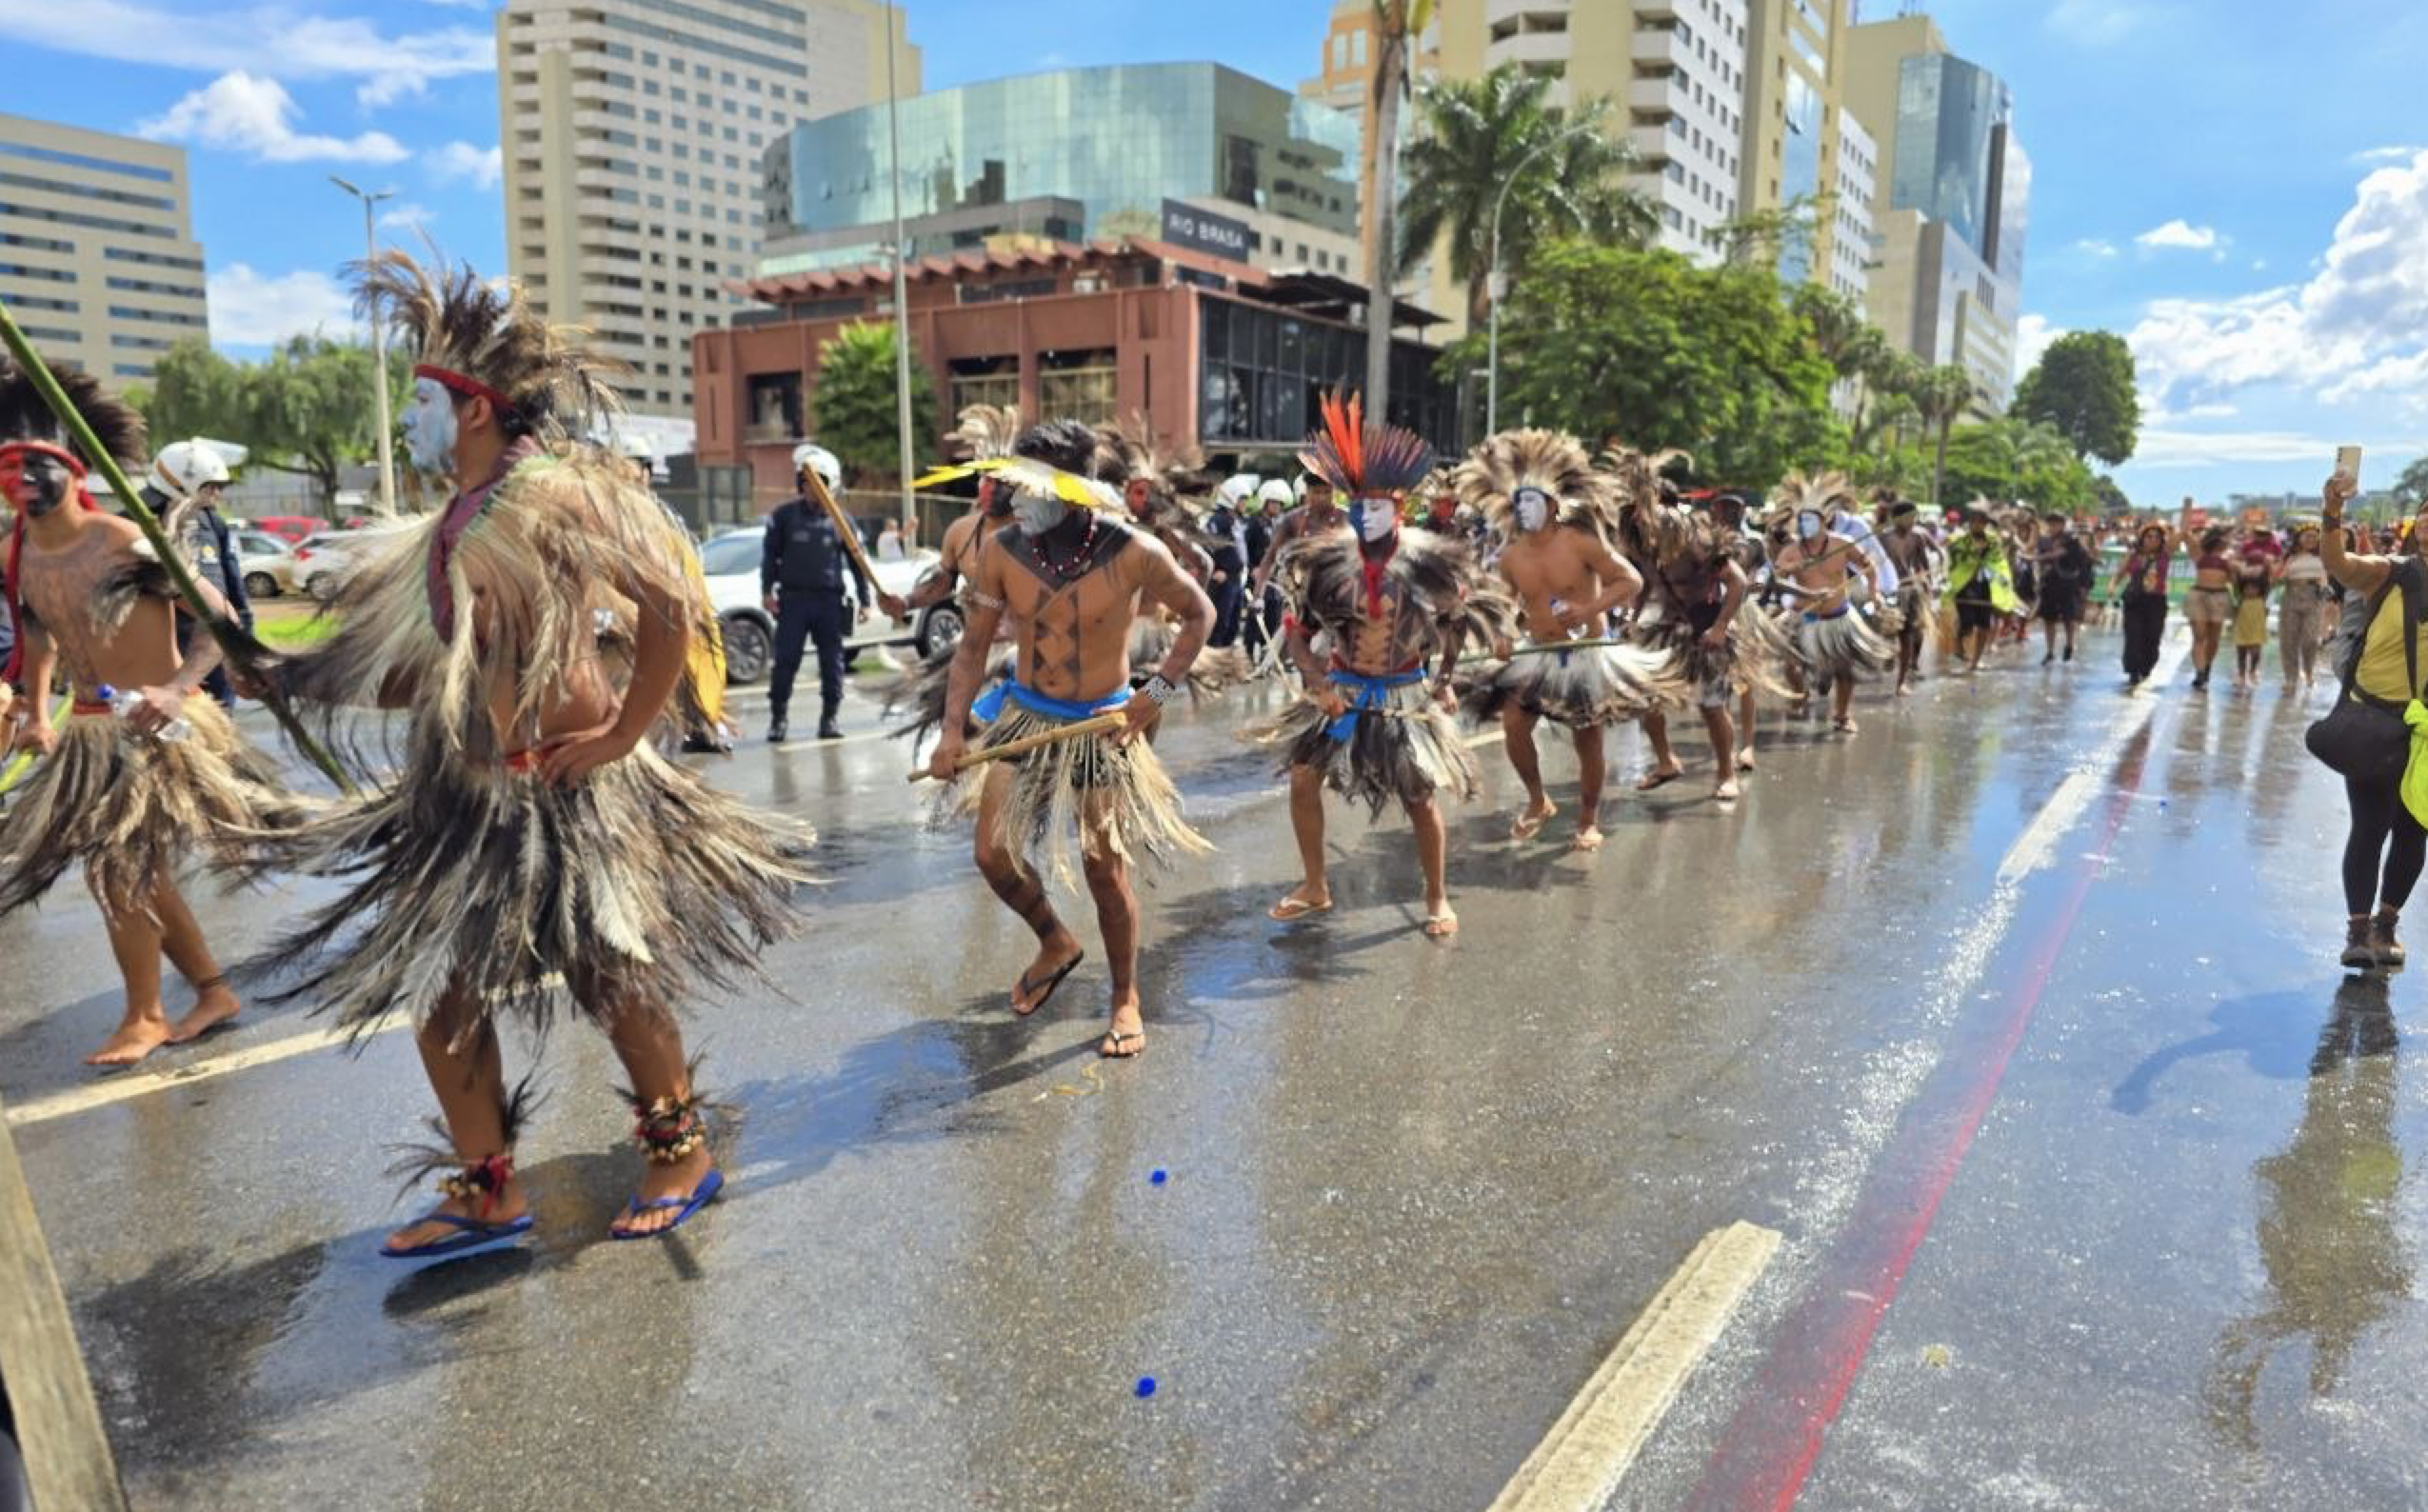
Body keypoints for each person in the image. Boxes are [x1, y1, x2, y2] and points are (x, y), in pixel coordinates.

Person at [238, 251, 812, 1253]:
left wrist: (625, 733)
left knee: (609, 975)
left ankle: (681, 1151)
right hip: (469, 798)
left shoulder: (554, 493)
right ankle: (487, 1186)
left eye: (421, 398)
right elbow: (430, 675)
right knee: (439, 987)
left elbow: (671, 606)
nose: (409, 416)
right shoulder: (445, 527)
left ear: (471, 408)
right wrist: (288, 679)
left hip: (568, 790)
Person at [0, 365, 293, 1065]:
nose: (19, 482)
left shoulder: (122, 542)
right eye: (7, 467)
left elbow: (216, 618)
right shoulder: (16, 555)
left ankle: (145, 1014)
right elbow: (38, 634)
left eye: (32, 465)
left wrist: (176, 691)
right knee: (138, 874)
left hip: (161, 726)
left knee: (118, 870)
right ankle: (213, 991)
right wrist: (39, 712)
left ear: (72, 470)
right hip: (94, 732)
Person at [926, 419, 1215, 1059]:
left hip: (1102, 727)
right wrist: (951, 731)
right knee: (991, 855)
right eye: (1014, 483)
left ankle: (1124, 998)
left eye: (1031, 485)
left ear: (1074, 490)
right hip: (1026, 716)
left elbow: (1201, 614)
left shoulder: (1134, 550)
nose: (1015, 497)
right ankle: (1055, 941)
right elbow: (972, 647)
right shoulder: (1002, 551)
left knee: (1103, 871)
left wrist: (1157, 692)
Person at [1256, 397, 1498, 936]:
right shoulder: (1324, 560)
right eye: (1358, 506)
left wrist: (1445, 682)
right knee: (1303, 777)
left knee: (1417, 795)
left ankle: (1437, 896)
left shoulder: (1427, 561)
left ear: (1401, 508)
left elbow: (1458, 622)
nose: (1366, 516)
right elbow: (1300, 637)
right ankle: (1315, 885)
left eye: (1378, 506)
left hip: (1403, 691)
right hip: (1342, 687)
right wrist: (1318, 684)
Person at [1453, 428, 1672, 852]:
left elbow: (1630, 580)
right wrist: (1501, 632)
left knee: (1586, 737)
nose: (1524, 509)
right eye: (1519, 502)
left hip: (1585, 655)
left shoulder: (1582, 542)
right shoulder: (1512, 556)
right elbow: (1505, 604)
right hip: (1538, 655)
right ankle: (1538, 800)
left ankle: (1589, 820)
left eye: (1532, 501)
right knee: (1515, 725)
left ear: (1553, 506)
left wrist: (1588, 610)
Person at [1606, 448, 1782, 802]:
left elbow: (1738, 583)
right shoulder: (1644, 544)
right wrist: (1632, 618)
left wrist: (1719, 629)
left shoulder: (1695, 541)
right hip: (1668, 629)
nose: (1639, 518)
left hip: (1707, 629)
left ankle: (1726, 773)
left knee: (1712, 705)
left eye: (1645, 510)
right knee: (1647, 700)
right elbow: (1645, 584)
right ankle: (1666, 761)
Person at [2317, 472, 2428, 969]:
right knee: (2369, 826)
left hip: (2423, 732)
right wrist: (2332, 512)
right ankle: (2357, 931)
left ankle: (2387, 925)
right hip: (2373, 720)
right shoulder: (2392, 572)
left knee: (2414, 830)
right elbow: (2338, 563)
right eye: (2426, 511)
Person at [886, 405, 1017, 746]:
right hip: (974, 651)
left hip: (1024, 655)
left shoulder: (1033, 534)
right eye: (984, 480)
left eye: (998, 481)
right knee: (968, 742)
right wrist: (907, 601)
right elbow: (943, 583)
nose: (988, 489)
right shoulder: (960, 532)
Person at [760, 442, 874, 742]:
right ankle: (778, 719)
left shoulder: (842, 521)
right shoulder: (783, 517)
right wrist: (766, 592)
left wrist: (865, 601)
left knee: (832, 664)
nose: (812, 489)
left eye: (818, 483)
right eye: (806, 482)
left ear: (830, 484)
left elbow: (857, 561)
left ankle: (830, 719)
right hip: (793, 601)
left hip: (829, 602)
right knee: (785, 662)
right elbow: (770, 557)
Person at [1769, 473, 1889, 736]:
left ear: (1824, 522)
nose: (1805, 525)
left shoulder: (1842, 544)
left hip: (1837, 617)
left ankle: (1843, 715)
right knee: (1791, 666)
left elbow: (1868, 567)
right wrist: (1794, 567)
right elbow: (1776, 579)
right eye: (1801, 521)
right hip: (1803, 617)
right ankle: (1800, 696)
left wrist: (1872, 593)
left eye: (1810, 520)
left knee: (1844, 670)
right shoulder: (1792, 550)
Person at [139, 439, 252, 707]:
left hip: (216, 658)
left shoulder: (212, 522)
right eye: (211, 486)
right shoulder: (134, 524)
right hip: (162, 669)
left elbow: (236, 595)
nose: (218, 494)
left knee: (219, 742)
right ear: (180, 482)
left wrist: (245, 653)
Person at [1943, 507, 2018, 674]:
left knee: (1985, 625)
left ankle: (1975, 662)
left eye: (1980, 522)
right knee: (1967, 622)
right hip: (1964, 584)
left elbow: (1998, 562)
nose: (1976, 525)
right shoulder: (1959, 540)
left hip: (1987, 585)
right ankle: (1958, 645)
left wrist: (1996, 575)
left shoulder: (1993, 541)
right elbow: (1953, 557)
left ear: (1985, 524)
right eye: (1974, 521)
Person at [1881, 498, 1941, 695]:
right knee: (1886, 632)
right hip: (1889, 591)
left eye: (1915, 518)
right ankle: (1889, 654)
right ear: (1897, 519)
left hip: (1910, 589)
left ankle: (1901, 682)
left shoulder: (1917, 537)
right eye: (1910, 518)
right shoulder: (1883, 538)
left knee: (1907, 635)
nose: (1913, 521)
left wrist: (1928, 585)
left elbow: (1923, 565)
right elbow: (1873, 564)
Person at [2107, 521, 2177, 691]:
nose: (2152, 540)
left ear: (2162, 540)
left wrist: (2187, 509)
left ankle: (2146, 667)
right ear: (2142, 538)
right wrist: (2112, 586)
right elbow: (2119, 574)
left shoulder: (2165, 554)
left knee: (2153, 637)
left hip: (2156, 601)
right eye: (2149, 536)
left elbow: (2181, 533)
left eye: (2157, 537)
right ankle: (2133, 671)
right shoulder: (2133, 555)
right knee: (2133, 636)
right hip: (2135, 601)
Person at [2033, 512, 2093, 666]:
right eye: (2050, 523)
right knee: (2048, 619)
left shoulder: (2071, 540)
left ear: (2062, 524)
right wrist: (2038, 578)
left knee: (2069, 618)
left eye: (2056, 523)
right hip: (2049, 583)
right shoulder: (2044, 540)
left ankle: (2070, 644)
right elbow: (2039, 560)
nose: (2052, 526)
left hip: (2068, 584)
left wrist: (2037, 558)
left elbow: (2057, 554)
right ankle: (2050, 651)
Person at [2278, 524, 2330, 692]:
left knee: (2311, 639)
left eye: (2314, 537)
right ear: (2299, 538)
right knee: (2289, 640)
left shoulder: (2323, 556)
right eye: (2307, 536)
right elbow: (2279, 577)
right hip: (2291, 595)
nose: (2310, 539)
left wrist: (2324, 592)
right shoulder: (2290, 557)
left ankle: (2308, 672)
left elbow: (2326, 578)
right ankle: (2290, 678)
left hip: (2313, 596)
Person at [2185, 526, 2235, 691]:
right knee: (2199, 636)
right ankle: (2199, 672)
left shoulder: (2231, 557)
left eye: (2227, 538)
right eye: (2223, 537)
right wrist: (2188, 505)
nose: (2226, 541)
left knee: (2213, 638)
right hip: (2199, 594)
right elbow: (2186, 532)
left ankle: (2206, 667)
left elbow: (2235, 580)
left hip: (2220, 596)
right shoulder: (2199, 553)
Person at [2230, 537, 2273, 691]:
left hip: (2257, 609)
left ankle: (2252, 671)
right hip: (2245, 609)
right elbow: (2235, 585)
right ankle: (2242, 673)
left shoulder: (2265, 575)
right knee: (2242, 645)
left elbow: (2270, 581)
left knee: (2255, 645)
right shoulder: (2241, 572)